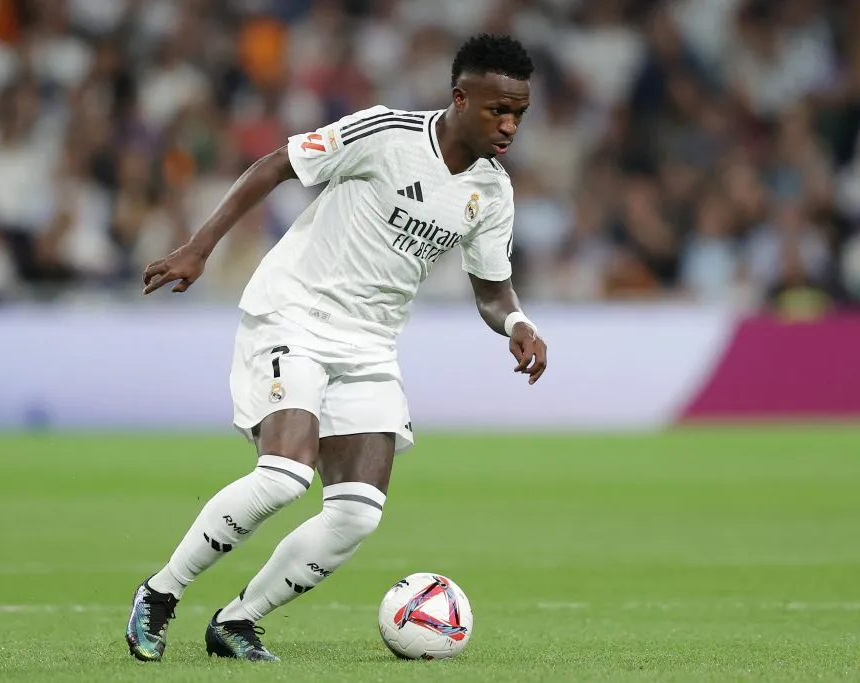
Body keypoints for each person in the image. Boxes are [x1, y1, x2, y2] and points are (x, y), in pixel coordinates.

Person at [126, 33, 548, 663]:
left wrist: (516, 323)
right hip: (295, 313)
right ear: (461, 99)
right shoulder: (386, 133)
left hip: (371, 343)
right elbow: (277, 164)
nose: (510, 125)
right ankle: (161, 592)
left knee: (357, 512)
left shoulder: (492, 192)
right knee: (286, 474)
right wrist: (199, 248)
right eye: (498, 110)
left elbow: (491, 289)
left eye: (520, 113)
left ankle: (238, 620)